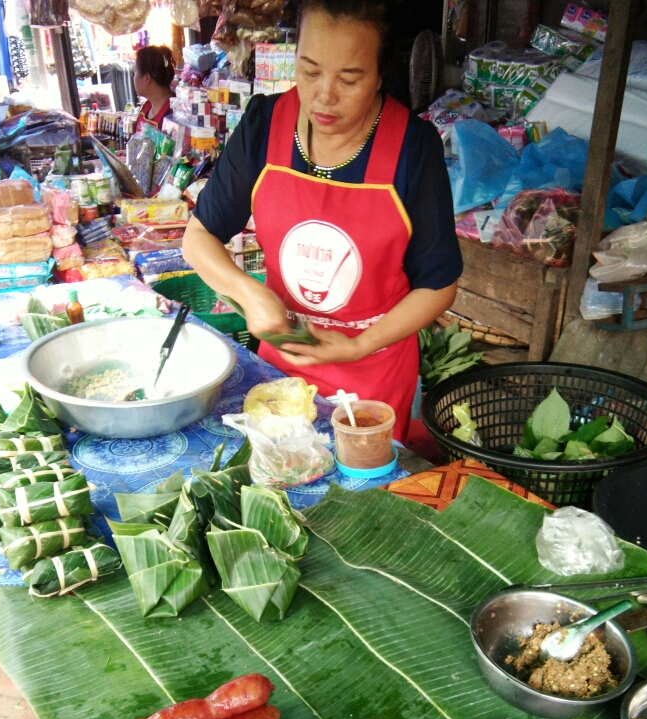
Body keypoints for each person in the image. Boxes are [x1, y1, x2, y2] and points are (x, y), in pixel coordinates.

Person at [182, 0, 462, 441]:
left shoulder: (413, 147)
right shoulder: (263, 126)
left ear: (380, 75)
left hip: (375, 374)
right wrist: (249, 294)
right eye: (309, 71)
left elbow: (439, 283)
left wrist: (359, 344)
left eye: (349, 78)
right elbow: (199, 237)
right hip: (283, 365)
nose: (324, 96)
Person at [134, 45, 175, 133]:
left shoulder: (173, 113)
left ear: (146, 78)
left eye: (135, 72)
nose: (133, 78)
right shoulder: (147, 106)